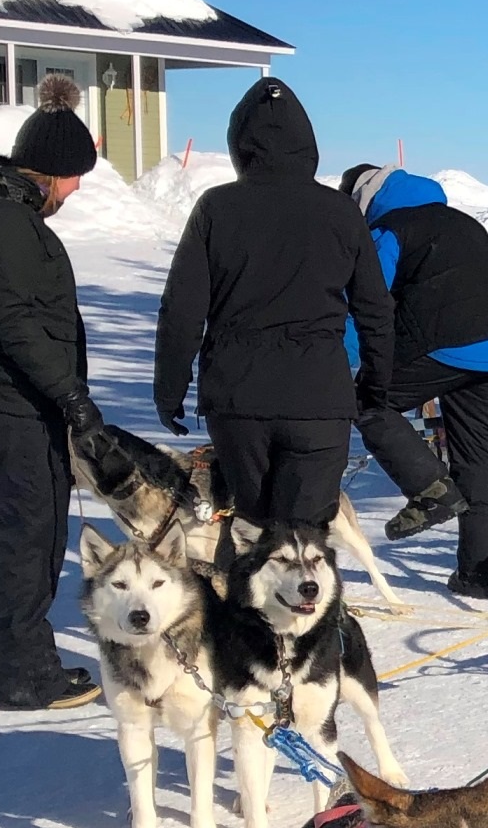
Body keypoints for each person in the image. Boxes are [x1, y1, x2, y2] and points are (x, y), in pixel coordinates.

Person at [153, 78, 392, 526]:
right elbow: (375, 309)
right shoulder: (340, 212)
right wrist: (374, 385)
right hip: (319, 395)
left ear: (239, 145)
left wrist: (169, 389)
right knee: (304, 543)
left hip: (238, 398)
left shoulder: (216, 208)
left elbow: (182, 310)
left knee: (258, 531)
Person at [0, 74, 106, 711]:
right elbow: (16, 323)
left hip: (27, 400)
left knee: (39, 538)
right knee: (23, 539)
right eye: (74, 178)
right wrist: (71, 397)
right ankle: (20, 674)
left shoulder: (10, 218)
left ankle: (31, 656)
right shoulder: (5, 224)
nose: (75, 190)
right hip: (14, 402)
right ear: (53, 172)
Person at [338, 164, 488, 600]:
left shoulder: (391, 228)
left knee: (369, 402)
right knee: (478, 462)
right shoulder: (462, 222)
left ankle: (429, 489)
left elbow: (367, 302)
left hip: (447, 344)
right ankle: (479, 575)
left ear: (363, 201)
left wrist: (341, 360)